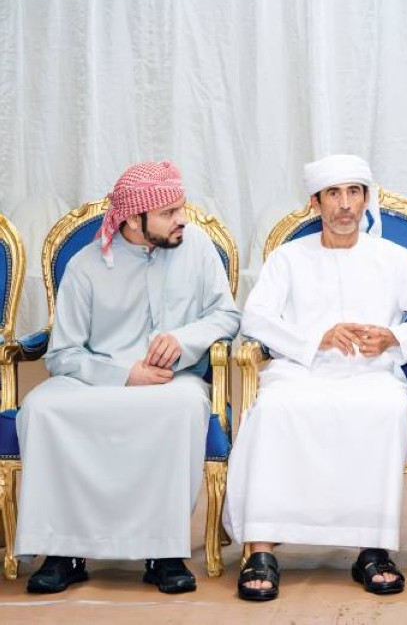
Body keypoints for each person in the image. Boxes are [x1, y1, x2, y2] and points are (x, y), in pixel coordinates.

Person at [224, 154, 407, 601]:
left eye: (354, 192)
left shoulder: (392, 258)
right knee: (273, 409)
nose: (345, 204)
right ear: (315, 203)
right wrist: (316, 338)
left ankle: (372, 548)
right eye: (333, 194)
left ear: (367, 199)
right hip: (300, 372)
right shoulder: (288, 258)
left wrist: (394, 337)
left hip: (371, 374)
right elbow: (255, 317)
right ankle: (261, 548)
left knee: (386, 409)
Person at [16, 161, 240, 594]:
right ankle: (62, 552)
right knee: (41, 408)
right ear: (134, 219)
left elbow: (227, 315)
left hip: (173, 380)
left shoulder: (196, 247)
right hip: (97, 377)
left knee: (182, 407)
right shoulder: (85, 267)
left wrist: (184, 339)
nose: (182, 219)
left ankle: (164, 553)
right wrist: (124, 375)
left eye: (181, 207)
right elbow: (63, 353)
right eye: (169, 213)